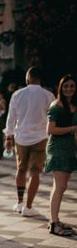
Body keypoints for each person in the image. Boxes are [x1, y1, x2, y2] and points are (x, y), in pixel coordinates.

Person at [3, 67, 55, 217]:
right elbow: (52, 117)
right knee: (35, 172)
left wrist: (8, 136)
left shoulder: (17, 94)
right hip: (40, 137)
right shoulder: (48, 95)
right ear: (40, 78)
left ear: (28, 78)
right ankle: (28, 207)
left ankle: (19, 202)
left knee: (20, 169)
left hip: (21, 138)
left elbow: (11, 117)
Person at [45, 75, 77, 236]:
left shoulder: (73, 104)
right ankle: (54, 223)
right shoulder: (56, 105)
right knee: (59, 186)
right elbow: (50, 130)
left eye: (71, 86)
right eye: (65, 86)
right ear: (60, 88)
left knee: (61, 186)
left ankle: (55, 220)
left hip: (69, 148)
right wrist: (72, 128)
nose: (69, 89)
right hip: (57, 148)